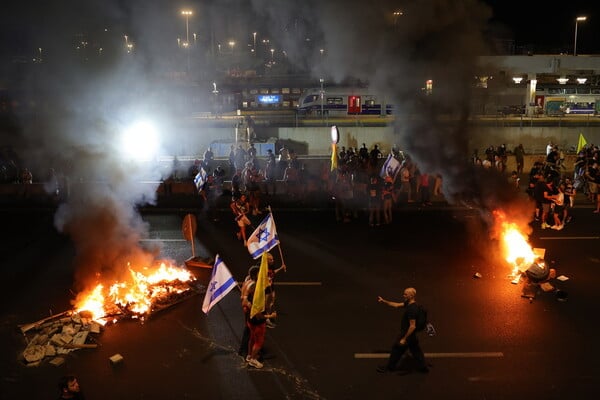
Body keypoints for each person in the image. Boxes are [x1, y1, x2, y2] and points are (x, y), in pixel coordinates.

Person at [376, 288, 429, 374]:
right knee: (416, 350)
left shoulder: (412, 309)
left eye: (405, 294)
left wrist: (404, 338)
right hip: (412, 335)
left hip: (408, 333)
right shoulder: (409, 304)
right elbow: (396, 305)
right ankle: (423, 368)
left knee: (396, 349)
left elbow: (412, 326)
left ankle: (389, 367)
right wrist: (383, 301)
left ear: (411, 296)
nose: (403, 295)